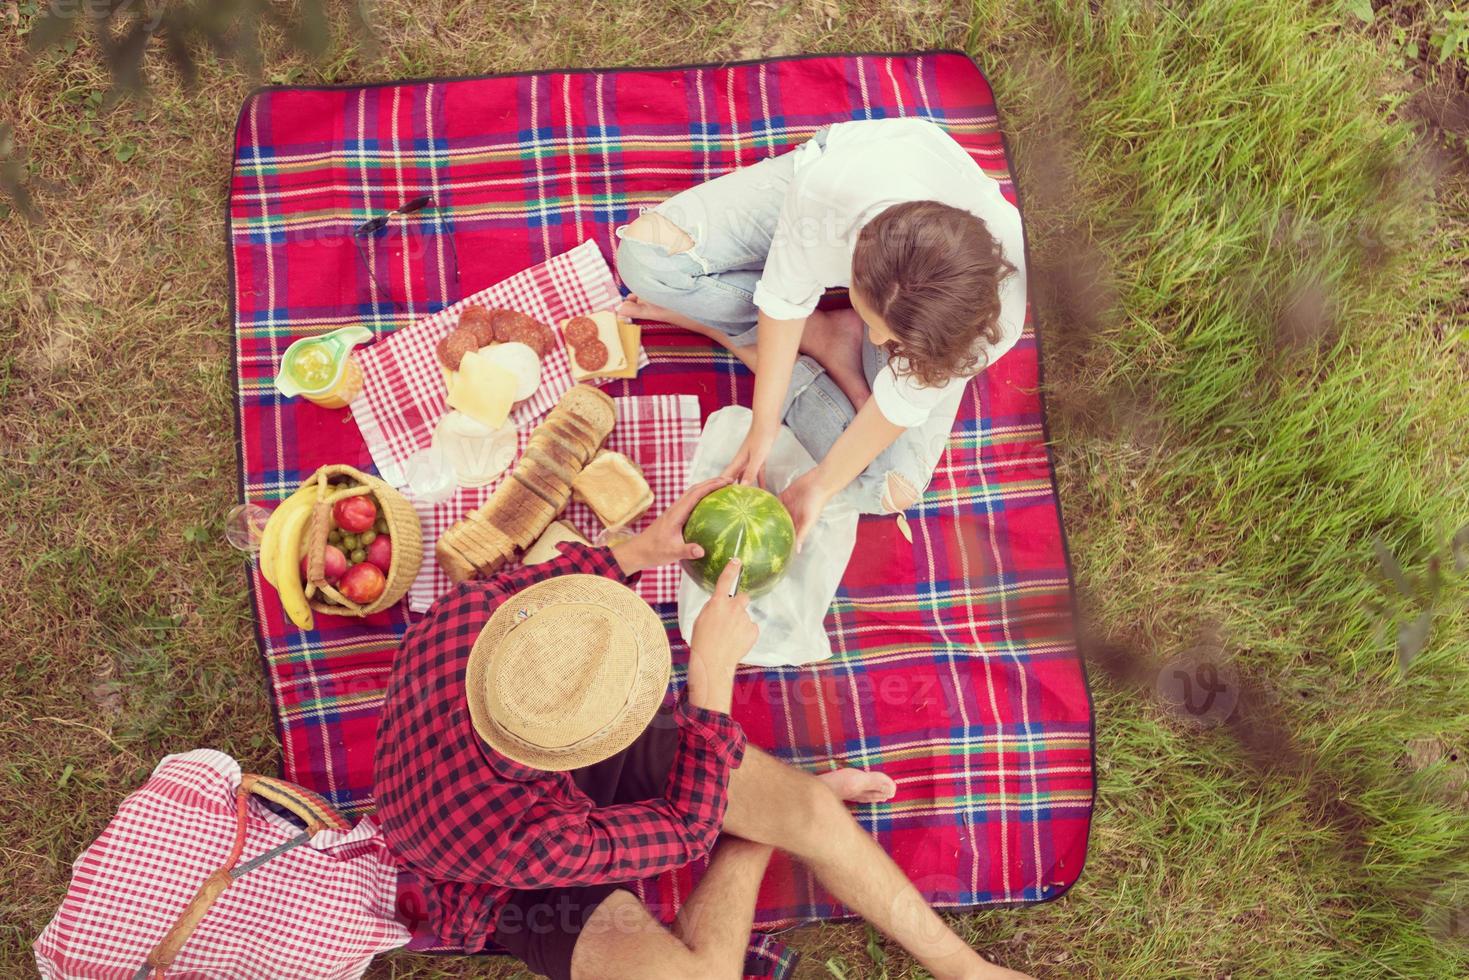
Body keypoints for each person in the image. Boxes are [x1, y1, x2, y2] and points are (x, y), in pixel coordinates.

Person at [374, 477, 1030, 980]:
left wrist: (642, 547)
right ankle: (751, 843)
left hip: (532, 749)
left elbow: (555, 580)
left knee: (801, 810)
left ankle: (966, 968)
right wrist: (711, 676)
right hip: (505, 879)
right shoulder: (532, 845)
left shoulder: (467, 612)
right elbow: (687, 829)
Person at [614, 116, 1027, 547]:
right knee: (648, 260)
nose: (878, 344)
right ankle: (817, 334)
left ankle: (757, 333)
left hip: (917, 300)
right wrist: (764, 423)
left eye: (888, 339)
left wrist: (820, 485)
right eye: (870, 323)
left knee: (888, 489)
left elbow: (900, 404)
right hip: (837, 196)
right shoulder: (828, 198)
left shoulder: (995, 323)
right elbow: (783, 300)